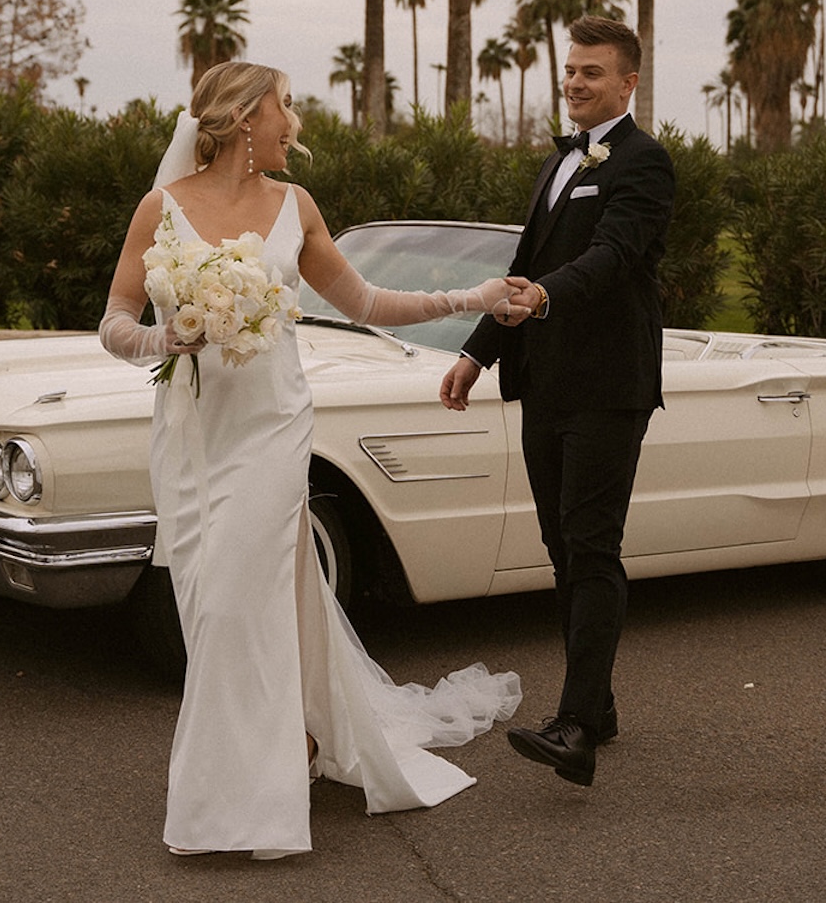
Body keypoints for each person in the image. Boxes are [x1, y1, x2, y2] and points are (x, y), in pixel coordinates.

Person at [98, 61, 524, 859]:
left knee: (234, 602)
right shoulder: (162, 209)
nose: (294, 121)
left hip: (272, 429)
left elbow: (365, 303)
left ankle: (240, 800)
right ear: (241, 119)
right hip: (191, 437)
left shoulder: (295, 207)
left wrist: (473, 297)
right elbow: (115, 321)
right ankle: (289, 738)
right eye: (284, 106)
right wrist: (167, 338)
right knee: (208, 605)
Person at [439, 15, 675, 787]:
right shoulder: (558, 163)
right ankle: (596, 704)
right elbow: (523, 263)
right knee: (560, 546)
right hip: (543, 382)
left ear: (628, 82)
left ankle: (575, 727)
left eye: (593, 73)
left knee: (591, 544)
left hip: (610, 385)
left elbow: (612, 257)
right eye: (571, 70)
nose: (575, 82)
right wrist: (478, 351)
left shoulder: (646, 163)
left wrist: (543, 298)